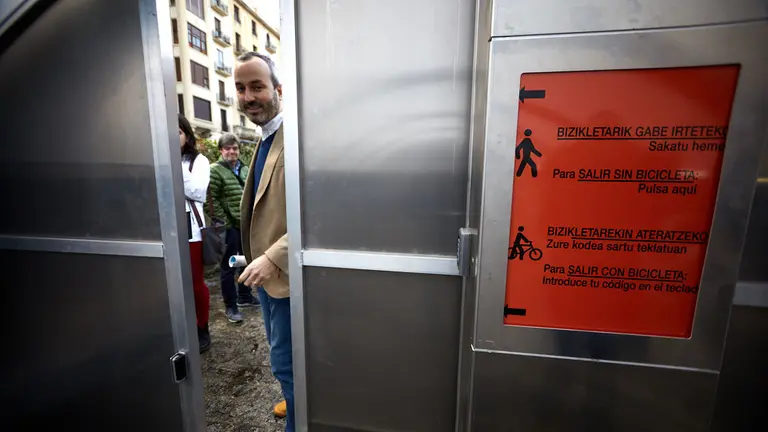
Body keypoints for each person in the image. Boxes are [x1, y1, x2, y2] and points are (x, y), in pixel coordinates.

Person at [234, 52, 292, 430]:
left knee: (286, 361)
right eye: (240, 88)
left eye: (257, 86)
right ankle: (294, 398)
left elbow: (324, 210)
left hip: (289, 277)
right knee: (282, 360)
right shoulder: (265, 137)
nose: (248, 96)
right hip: (268, 281)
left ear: (278, 89)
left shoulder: (299, 138)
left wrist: (274, 256)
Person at [207, 133, 259, 324]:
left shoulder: (244, 168)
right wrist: (225, 224)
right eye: (228, 148)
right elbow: (210, 201)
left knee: (243, 261)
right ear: (221, 150)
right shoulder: (215, 170)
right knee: (228, 266)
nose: (232, 151)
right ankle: (231, 306)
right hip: (229, 228)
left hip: (245, 225)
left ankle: (244, 296)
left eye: (235, 148)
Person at [178, 114, 212, 353]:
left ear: (187, 135)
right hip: (164, 228)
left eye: (177, 132)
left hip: (190, 231)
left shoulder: (198, 161)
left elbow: (199, 192)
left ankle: (202, 326)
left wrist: (176, 164)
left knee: (195, 283)